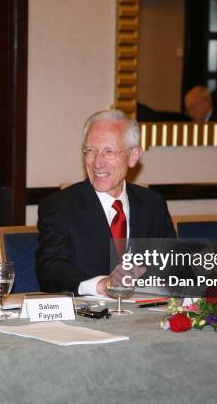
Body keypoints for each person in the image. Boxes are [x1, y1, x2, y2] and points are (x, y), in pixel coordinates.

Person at [36, 109, 175, 296]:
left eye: (108, 152)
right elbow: (50, 271)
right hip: (88, 317)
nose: (97, 163)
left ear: (133, 156)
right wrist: (101, 284)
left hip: (144, 315)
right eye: (90, 151)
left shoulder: (152, 204)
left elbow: (173, 264)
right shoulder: (60, 206)